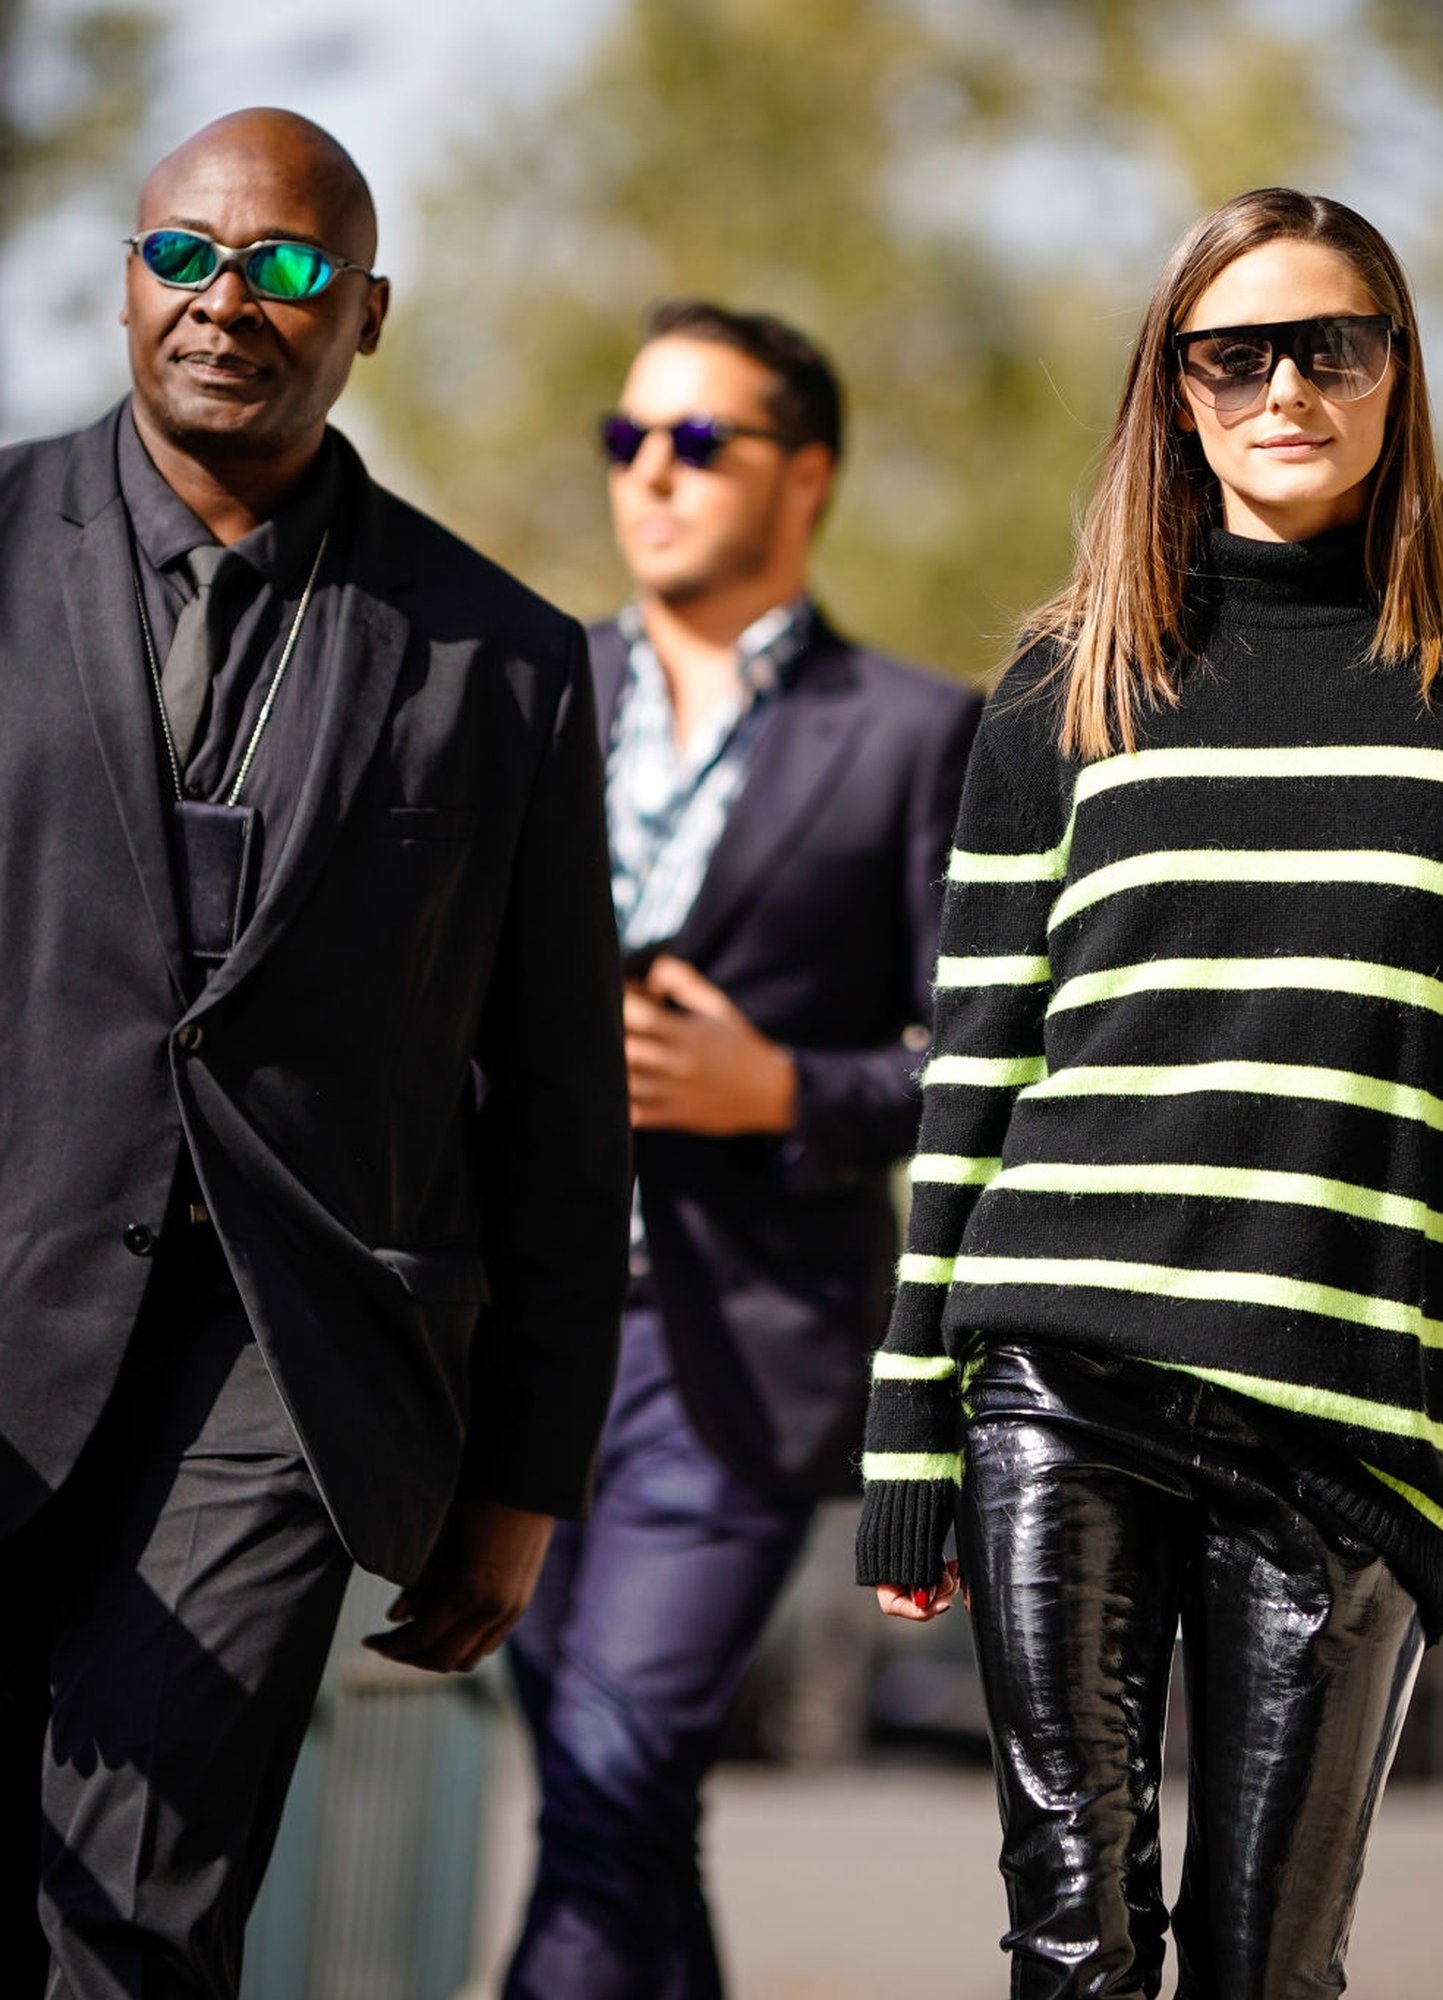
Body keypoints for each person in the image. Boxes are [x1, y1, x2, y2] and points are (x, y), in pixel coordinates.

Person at [0, 109, 627, 1999]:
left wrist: (525, 1469)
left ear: (368, 318)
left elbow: (562, 1104)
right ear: (124, 284)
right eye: (185, 255)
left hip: (286, 1363)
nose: (227, 302)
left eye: (287, 268)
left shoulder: (500, 660)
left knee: (146, 1925)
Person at [856, 187, 1443, 1995]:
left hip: (1351, 1422)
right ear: (1178, 388)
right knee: (1075, 1943)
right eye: (1238, 354)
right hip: (1064, 1386)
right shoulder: (1067, 685)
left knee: (1267, 1970)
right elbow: (972, 1081)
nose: (1288, 387)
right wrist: (909, 1436)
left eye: (1334, 345)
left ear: (1397, 375)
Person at [503, 300, 977, 1998]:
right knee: (610, 1799)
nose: (653, 473)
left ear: (809, 478)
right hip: (509, 1338)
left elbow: (992, 1064)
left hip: (739, 1355)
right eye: (627, 438)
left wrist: (784, 1093)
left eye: (701, 441)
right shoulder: (527, 687)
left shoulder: (921, 733)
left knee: (615, 1772)